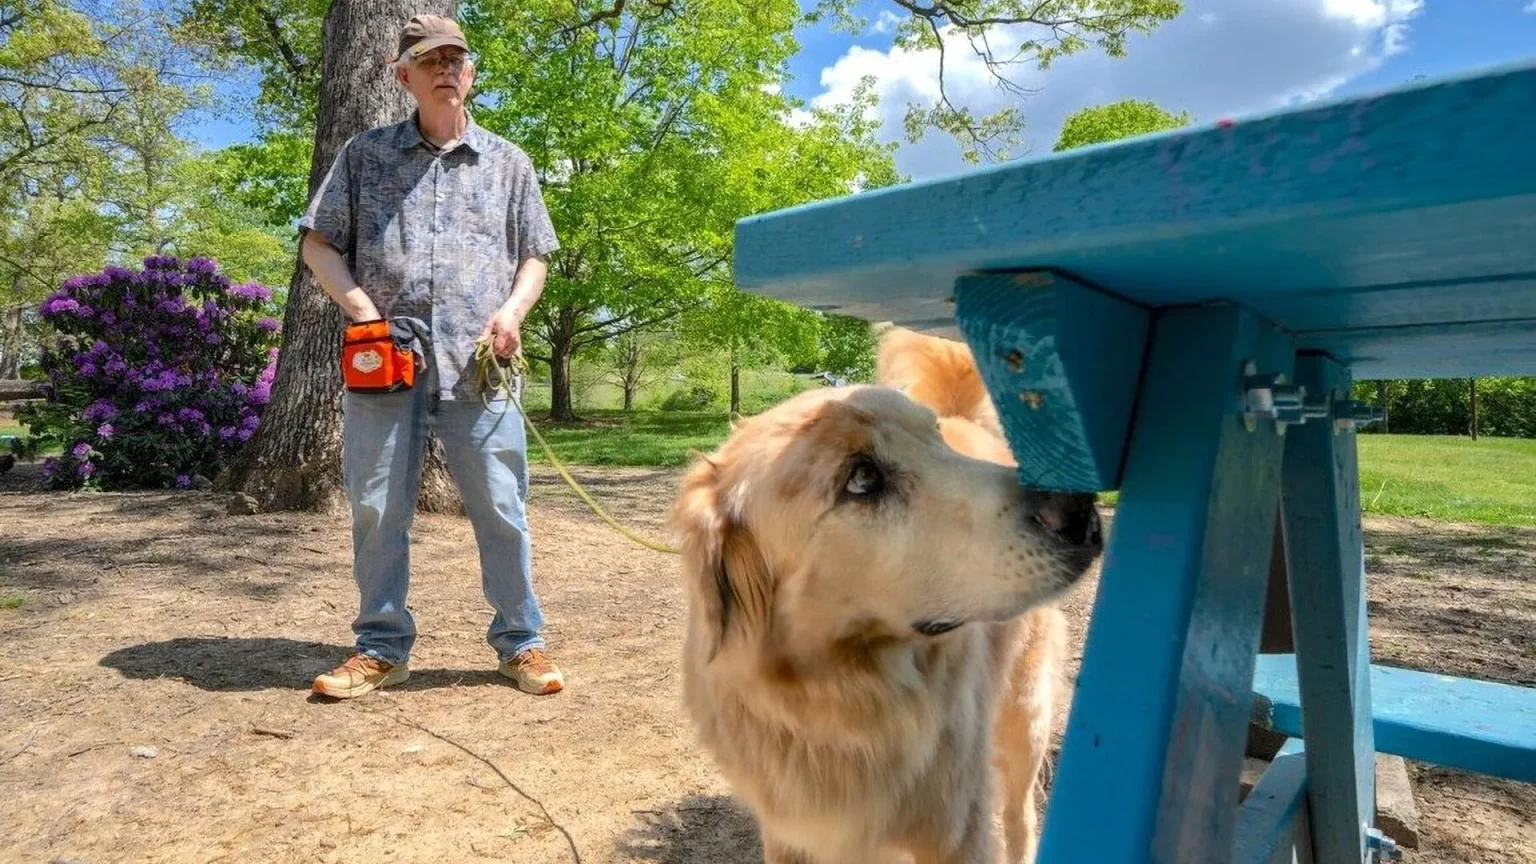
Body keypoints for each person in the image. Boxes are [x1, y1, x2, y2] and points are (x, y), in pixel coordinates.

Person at [299, 14, 563, 699]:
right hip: (386, 365)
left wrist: (512, 311)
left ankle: (521, 642)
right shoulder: (364, 154)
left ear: (470, 73)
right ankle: (382, 647)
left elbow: (535, 255)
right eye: (429, 59)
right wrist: (364, 312)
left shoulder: (509, 162)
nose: (445, 67)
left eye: (456, 57)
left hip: (482, 364)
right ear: (403, 76)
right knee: (377, 506)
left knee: (503, 506)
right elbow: (317, 244)